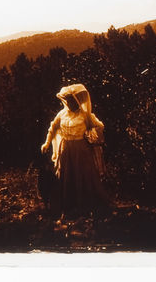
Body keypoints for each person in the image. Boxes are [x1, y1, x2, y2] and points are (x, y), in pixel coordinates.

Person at [40, 84, 111, 216]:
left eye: (71, 100)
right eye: (67, 100)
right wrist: (46, 143)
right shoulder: (61, 114)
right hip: (65, 150)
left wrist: (92, 134)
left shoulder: (85, 115)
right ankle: (67, 204)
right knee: (65, 175)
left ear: (77, 100)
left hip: (81, 150)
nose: (69, 103)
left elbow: (99, 126)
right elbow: (53, 128)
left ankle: (84, 204)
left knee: (82, 174)